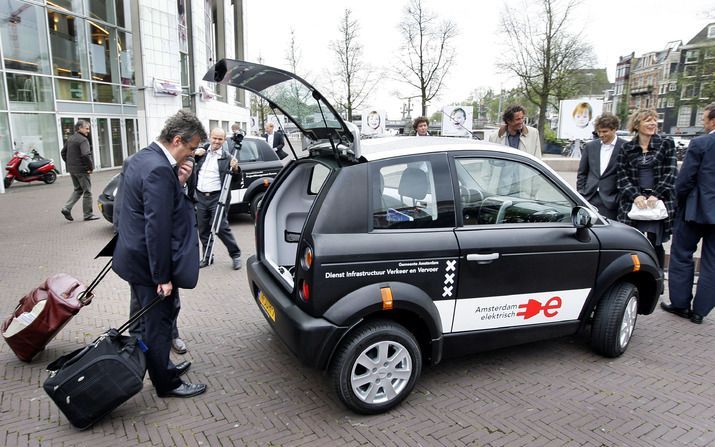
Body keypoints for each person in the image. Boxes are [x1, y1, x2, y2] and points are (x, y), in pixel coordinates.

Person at [112, 110, 207, 398]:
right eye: (190, 149)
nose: (190, 156)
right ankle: (166, 384)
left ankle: (160, 365)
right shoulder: (158, 169)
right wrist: (162, 277)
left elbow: (129, 208)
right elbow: (157, 228)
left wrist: (176, 183)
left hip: (132, 258)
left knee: (142, 321)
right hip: (148, 265)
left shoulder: (141, 158)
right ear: (177, 140)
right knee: (158, 324)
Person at [662, 103, 715, 324]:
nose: (703, 122)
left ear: (713, 120)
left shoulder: (702, 143)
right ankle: (700, 312)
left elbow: (684, 180)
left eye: (704, 119)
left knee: (681, 254)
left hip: (695, 210)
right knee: (712, 263)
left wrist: (678, 201)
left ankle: (681, 304)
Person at [616, 108, 676, 268]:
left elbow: (671, 172)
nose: (653, 123)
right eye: (648, 120)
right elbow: (622, 176)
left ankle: (657, 275)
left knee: (655, 243)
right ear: (637, 124)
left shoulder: (666, 143)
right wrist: (635, 196)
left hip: (657, 201)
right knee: (631, 242)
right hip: (633, 202)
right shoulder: (627, 148)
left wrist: (655, 195)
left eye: (654, 120)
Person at [191, 128, 242, 270]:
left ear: (224, 140)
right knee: (203, 229)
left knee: (220, 227)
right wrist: (194, 154)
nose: (216, 141)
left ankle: (236, 254)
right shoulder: (201, 153)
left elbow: (237, 181)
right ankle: (207, 257)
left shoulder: (228, 157)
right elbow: (187, 164)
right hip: (200, 197)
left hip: (217, 198)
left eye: (220, 139)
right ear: (209, 137)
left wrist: (236, 168)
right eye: (214, 138)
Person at [576, 113, 626, 219]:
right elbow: (582, 173)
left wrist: (619, 198)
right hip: (589, 197)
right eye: (599, 131)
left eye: (605, 131)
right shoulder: (590, 146)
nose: (601, 135)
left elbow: (627, 176)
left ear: (614, 129)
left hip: (611, 201)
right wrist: (581, 193)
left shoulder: (625, 147)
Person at [60, 120, 99, 221]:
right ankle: (88, 215)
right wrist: (90, 168)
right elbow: (86, 154)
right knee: (87, 192)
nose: (88, 131)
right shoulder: (83, 140)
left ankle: (66, 208)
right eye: (86, 128)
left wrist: (70, 164)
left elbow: (63, 153)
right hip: (82, 170)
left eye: (88, 128)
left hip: (72, 169)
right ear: (79, 128)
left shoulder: (71, 138)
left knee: (78, 189)